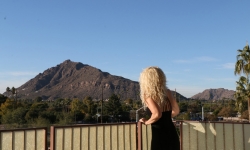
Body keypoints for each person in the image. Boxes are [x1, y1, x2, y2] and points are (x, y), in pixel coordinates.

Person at [139, 66, 180, 150]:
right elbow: (176, 111)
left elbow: (157, 114)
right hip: (171, 132)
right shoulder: (167, 92)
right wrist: (167, 118)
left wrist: (147, 122)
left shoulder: (148, 95)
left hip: (159, 134)